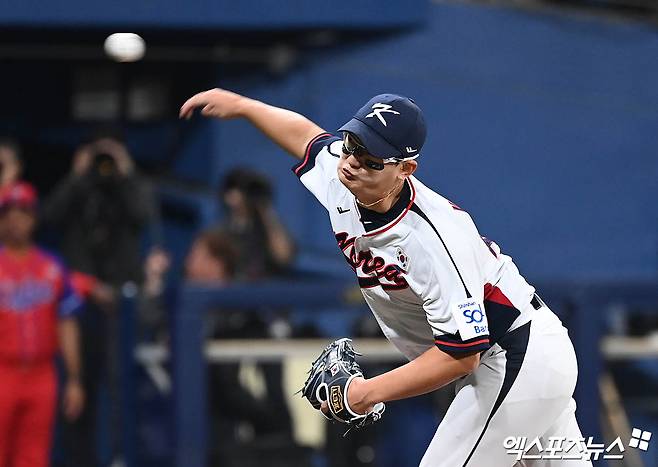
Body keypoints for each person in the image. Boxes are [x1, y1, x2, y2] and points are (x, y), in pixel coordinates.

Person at [179, 89, 591, 466]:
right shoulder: (347, 174)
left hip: (516, 357)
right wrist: (246, 107)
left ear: (405, 168)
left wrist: (364, 393)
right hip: (511, 361)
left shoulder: (432, 240)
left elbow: (461, 353)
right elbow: (306, 135)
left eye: (370, 159)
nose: (352, 163)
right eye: (352, 145)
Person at [0, 181, 84, 467]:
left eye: (23, 212)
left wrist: (74, 378)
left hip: (41, 373)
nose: (15, 220)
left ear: (34, 218)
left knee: (34, 458)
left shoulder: (51, 265)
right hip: (3, 370)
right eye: (8, 213)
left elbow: (67, 322)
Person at [219, 167, 296, 280]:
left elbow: (284, 256)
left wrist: (265, 208)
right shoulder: (222, 232)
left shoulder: (268, 228)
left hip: (262, 290)